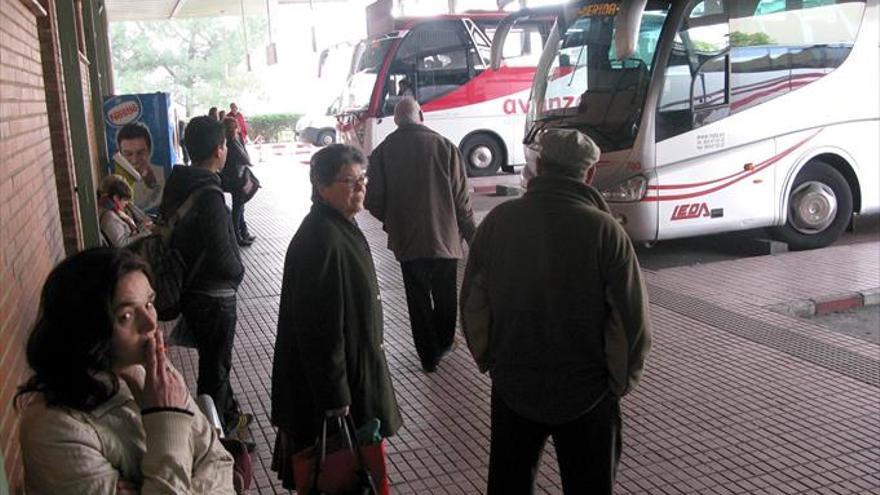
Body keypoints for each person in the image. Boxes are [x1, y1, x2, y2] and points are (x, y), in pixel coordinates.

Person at [460, 128, 652, 494]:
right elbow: (630, 321)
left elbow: (473, 302)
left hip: (514, 383)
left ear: (540, 167)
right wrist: (619, 381)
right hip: (588, 391)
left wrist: (489, 359)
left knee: (509, 484)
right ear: (590, 174)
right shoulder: (605, 231)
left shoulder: (500, 221)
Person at [16, 247, 235, 494]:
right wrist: (166, 419)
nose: (152, 323)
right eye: (126, 315)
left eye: (149, 303)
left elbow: (218, 459)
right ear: (86, 327)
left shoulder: (150, 372)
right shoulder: (53, 429)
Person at [270, 144, 402, 490]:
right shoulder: (321, 239)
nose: (360, 187)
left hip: (346, 381)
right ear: (321, 185)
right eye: (349, 180)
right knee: (339, 478)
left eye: (363, 178)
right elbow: (320, 329)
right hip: (331, 397)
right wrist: (335, 399)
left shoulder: (338, 225)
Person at [364, 97, 476, 372]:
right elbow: (462, 200)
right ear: (421, 115)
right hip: (444, 237)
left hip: (407, 240)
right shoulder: (445, 147)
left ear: (396, 120)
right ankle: (443, 342)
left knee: (417, 298)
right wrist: (473, 236)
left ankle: (428, 357)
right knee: (446, 294)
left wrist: (392, 221)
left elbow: (372, 200)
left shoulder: (382, 152)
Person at [160, 116, 251, 437]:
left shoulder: (179, 183)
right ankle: (219, 433)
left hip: (190, 288)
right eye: (225, 145)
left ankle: (227, 413)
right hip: (214, 297)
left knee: (213, 364)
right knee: (215, 368)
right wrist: (238, 272)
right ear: (218, 149)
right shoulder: (209, 194)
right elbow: (223, 255)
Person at [221, 117, 257, 246]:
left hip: (231, 178)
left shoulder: (225, 142)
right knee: (238, 208)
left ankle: (243, 232)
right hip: (237, 179)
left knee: (240, 206)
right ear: (234, 129)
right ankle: (237, 236)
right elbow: (246, 158)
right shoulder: (233, 142)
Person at [117, 122, 166, 215]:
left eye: (140, 153)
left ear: (150, 151)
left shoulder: (163, 175)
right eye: (128, 154)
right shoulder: (115, 182)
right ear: (120, 155)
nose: (135, 160)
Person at [98, 174, 153, 248]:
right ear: (116, 198)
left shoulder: (118, 211)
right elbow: (121, 245)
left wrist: (142, 229)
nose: (127, 203)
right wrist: (144, 233)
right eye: (125, 200)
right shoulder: (109, 217)